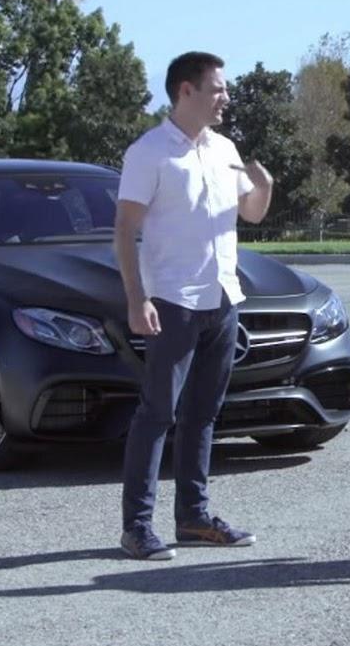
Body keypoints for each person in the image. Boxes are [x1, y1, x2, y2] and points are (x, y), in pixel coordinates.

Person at [113, 51, 274, 561]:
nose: (226, 97)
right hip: (172, 301)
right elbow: (124, 229)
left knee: (203, 413)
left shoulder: (224, 149)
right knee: (157, 413)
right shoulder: (149, 152)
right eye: (218, 88)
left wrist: (264, 187)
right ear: (186, 90)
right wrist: (137, 298)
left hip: (221, 298)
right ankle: (137, 527)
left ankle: (193, 518)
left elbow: (251, 213)